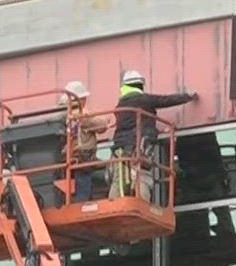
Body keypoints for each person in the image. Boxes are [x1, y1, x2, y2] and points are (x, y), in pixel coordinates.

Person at [110, 70, 197, 198]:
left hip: (120, 148)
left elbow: (130, 126)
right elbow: (166, 100)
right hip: (140, 145)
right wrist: (187, 96)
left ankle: (113, 205)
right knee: (142, 176)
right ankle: (142, 204)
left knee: (120, 178)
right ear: (140, 85)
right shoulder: (144, 100)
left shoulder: (120, 106)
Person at [56, 80, 113, 199]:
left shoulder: (60, 114)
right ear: (78, 99)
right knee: (83, 186)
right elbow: (100, 126)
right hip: (81, 157)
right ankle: (83, 201)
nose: (85, 101)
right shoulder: (80, 114)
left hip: (67, 156)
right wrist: (106, 122)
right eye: (84, 98)